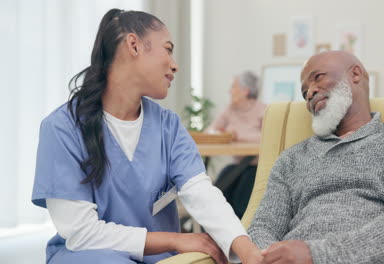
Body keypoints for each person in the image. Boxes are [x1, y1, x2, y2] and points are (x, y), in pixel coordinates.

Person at [31, 9, 261, 264]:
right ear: (134, 45)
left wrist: (248, 251)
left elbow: (201, 193)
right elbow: (81, 233)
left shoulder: (168, 126)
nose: (175, 64)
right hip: (89, 255)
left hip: (158, 257)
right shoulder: (62, 129)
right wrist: (175, 239)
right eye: (168, 49)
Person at [247, 51, 384, 264]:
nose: (310, 93)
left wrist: (315, 255)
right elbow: (263, 227)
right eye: (304, 92)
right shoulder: (291, 159)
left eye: (318, 77)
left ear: (355, 74)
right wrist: (269, 258)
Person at [207, 71, 267, 219]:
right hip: (237, 164)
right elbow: (210, 131)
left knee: (241, 201)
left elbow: (269, 137)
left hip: (256, 166)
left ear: (245, 91)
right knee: (218, 194)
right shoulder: (229, 109)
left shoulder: (263, 110)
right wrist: (223, 133)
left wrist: (239, 135)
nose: (229, 91)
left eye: (233, 87)